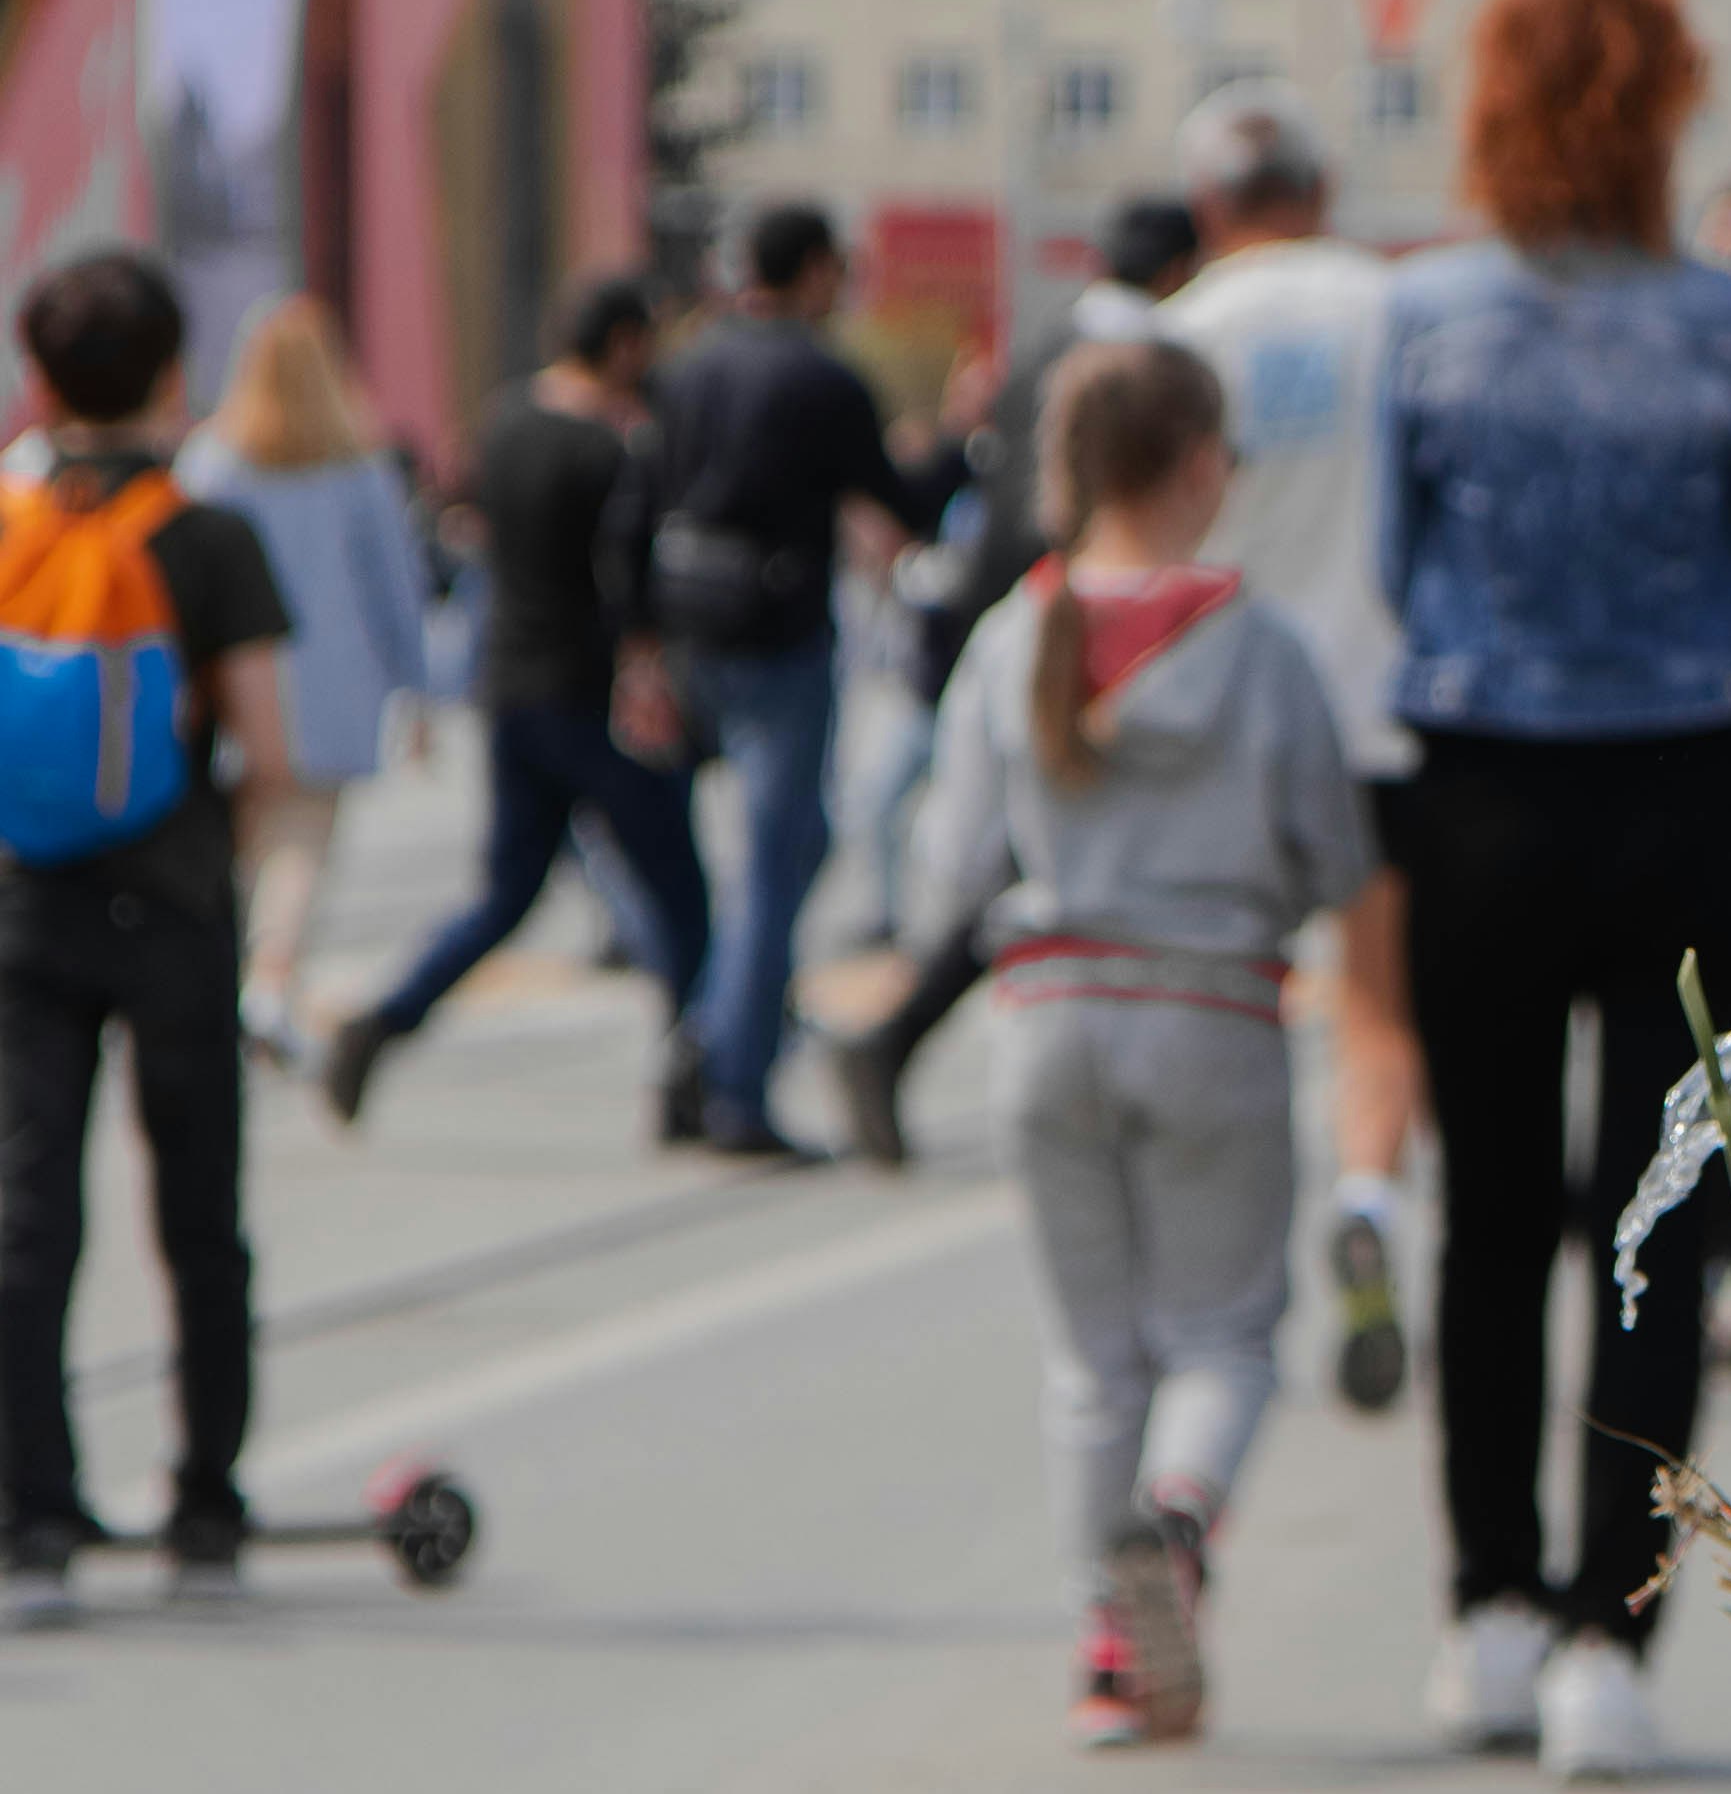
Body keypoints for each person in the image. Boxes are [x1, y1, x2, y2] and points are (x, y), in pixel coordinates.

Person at [1378, 0, 1731, 1783]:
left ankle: (1482, 1607)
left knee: (1489, 1203)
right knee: (1657, 1219)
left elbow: (1397, 556)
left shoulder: (1429, 312)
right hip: (1685, 778)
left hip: (1477, 779)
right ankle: (1601, 1642)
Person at [907, 333, 1368, 1752]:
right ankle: (1175, 1525)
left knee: (1090, 1360)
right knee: (1224, 1335)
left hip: (1046, 1017)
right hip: (1211, 1008)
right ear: (1193, 466)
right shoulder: (1261, 643)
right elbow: (1335, 853)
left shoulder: (1013, 634)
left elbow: (941, 874)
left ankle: (1110, 1653)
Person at [1, 247, 299, 1612]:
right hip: (174, 906)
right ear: (175, 374)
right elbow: (269, 750)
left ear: (38, 377)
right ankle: (205, 1505)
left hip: (23, 907)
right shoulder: (207, 535)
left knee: (27, 1211)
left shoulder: (7, 526)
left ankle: (37, 1509)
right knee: (198, 1212)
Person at [825, 193, 1200, 1166]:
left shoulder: (1048, 342)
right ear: (1175, 271)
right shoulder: (1155, 363)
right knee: (1055, 860)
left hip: (1015, 617)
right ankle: (903, 1038)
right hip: (1097, 627)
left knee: (1023, 850)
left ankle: (896, 1038)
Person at [1161, 93, 1420, 1408]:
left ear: (1210, 205)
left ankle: (1228, 1272)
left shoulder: (1182, 331)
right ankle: (1367, 1188)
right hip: (1383, 713)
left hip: (1227, 722)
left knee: (1234, 997)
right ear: (1320, 192)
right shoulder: (1393, 309)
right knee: (1375, 1002)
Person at [324, 276, 709, 1133]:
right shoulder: (612, 450)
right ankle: (694, 1073)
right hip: (589, 695)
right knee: (682, 893)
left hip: (508, 688)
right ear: (621, 345)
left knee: (507, 894)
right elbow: (634, 586)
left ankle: (384, 1018)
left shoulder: (504, 424)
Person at [644, 201, 966, 1160]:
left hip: (691, 623)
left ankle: (706, 1043)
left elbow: (637, 503)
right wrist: (959, 441)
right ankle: (733, 1082)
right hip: (779, 631)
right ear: (817, 272)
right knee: (781, 861)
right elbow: (900, 501)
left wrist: (637, 642)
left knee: (776, 856)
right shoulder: (821, 378)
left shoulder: (690, 367)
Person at [176, 294, 426, 1066]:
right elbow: (397, 587)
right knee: (304, 846)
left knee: (247, 840)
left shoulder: (215, 462)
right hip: (335, 684)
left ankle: (239, 979)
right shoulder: (357, 464)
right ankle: (271, 983)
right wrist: (413, 687)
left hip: (236, 683)